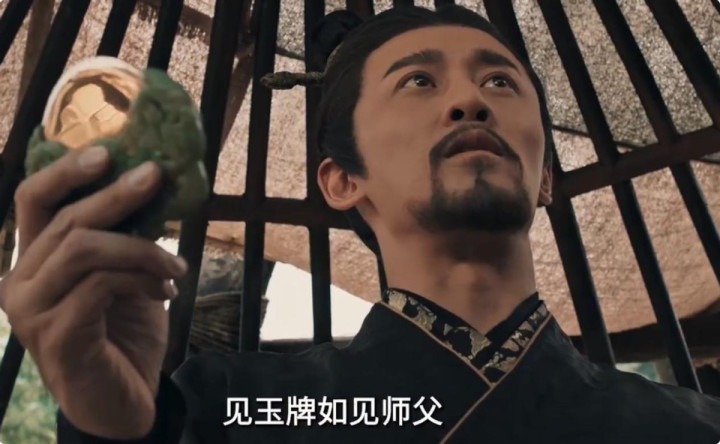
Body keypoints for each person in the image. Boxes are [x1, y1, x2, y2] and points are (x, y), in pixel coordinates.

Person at [1, 5, 718, 443]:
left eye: (499, 81)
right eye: (419, 81)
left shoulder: (694, 425)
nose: (470, 100)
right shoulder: (232, 410)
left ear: (547, 176)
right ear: (341, 181)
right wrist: (109, 427)